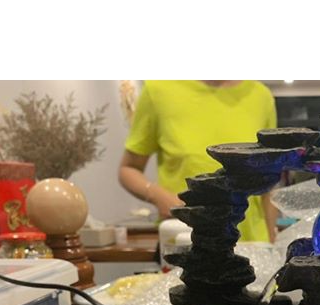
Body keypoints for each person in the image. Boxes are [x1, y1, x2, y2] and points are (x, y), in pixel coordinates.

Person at [118, 80, 279, 242]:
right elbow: (128, 168)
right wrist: (159, 196)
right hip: (185, 239)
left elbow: (268, 181)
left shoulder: (261, 96)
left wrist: (272, 241)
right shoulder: (158, 91)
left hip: (252, 244)